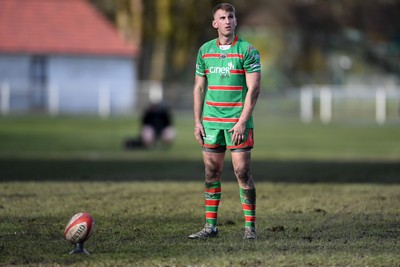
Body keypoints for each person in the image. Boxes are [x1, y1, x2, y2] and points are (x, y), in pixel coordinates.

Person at [189, 3, 261, 239]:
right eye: (223, 17)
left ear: (235, 21)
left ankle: (250, 228)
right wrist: (197, 121)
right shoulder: (205, 51)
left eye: (231, 16)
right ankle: (211, 227)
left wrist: (242, 122)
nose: (228, 20)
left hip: (237, 123)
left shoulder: (247, 50)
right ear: (215, 23)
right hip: (210, 123)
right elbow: (199, 88)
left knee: (242, 172)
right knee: (211, 172)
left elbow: (254, 89)